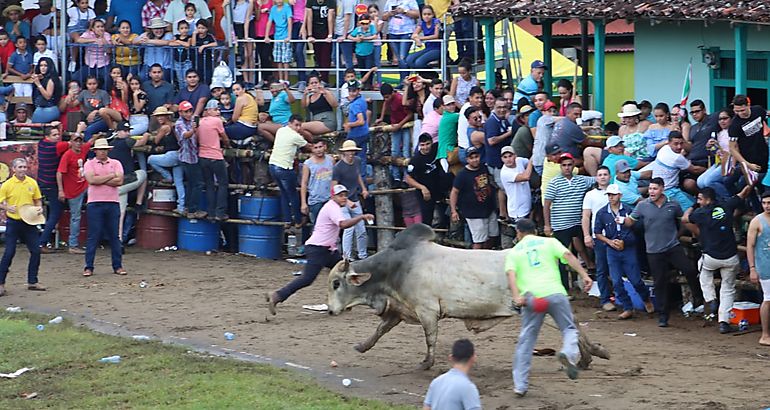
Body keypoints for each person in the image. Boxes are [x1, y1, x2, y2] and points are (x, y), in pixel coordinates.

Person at [506, 218, 593, 397]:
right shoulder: (550, 242)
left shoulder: (514, 252)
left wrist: (516, 296)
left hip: (533, 298)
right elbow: (568, 256)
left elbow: (511, 274)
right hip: (555, 293)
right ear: (535, 231)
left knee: (526, 341)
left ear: (519, 233)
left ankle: (520, 385)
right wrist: (584, 274)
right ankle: (568, 354)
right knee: (569, 329)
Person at [266, 184, 373, 314]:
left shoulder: (333, 206)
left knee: (346, 272)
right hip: (318, 249)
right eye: (340, 196)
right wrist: (361, 217)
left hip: (328, 250)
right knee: (307, 279)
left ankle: (342, 302)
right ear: (333, 197)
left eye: (345, 195)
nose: (344, 198)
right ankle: (278, 295)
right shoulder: (332, 208)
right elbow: (343, 224)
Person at [623, 177, 704, 327]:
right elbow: (631, 221)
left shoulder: (673, 204)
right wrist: (622, 220)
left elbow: (682, 221)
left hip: (672, 247)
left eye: (655, 189)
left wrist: (677, 236)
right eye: (650, 188)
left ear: (662, 189)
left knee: (689, 270)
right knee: (660, 283)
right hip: (653, 251)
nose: (651, 191)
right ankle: (663, 315)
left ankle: (698, 297)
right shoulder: (642, 205)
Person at [683, 186, 751, 333]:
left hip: (711, 257)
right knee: (728, 289)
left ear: (707, 199)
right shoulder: (727, 205)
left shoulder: (700, 212)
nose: (698, 202)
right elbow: (743, 193)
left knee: (703, 271)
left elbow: (685, 218)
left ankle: (711, 298)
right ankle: (724, 322)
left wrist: (691, 207)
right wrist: (751, 181)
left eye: (700, 199)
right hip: (731, 257)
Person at [594, 184, 654, 320]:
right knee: (616, 281)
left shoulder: (628, 210)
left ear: (619, 196)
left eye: (613, 195)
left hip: (628, 249)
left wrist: (624, 242)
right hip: (612, 249)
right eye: (609, 195)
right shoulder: (602, 213)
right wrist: (610, 242)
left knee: (636, 280)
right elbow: (597, 232)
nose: (611, 197)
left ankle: (645, 299)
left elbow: (637, 229)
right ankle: (628, 307)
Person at [544, 152, 595, 290]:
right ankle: (564, 288)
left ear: (573, 166)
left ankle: (590, 281)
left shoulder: (581, 180)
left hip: (578, 223)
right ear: (560, 166)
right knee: (562, 257)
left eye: (569, 165)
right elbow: (547, 204)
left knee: (588, 248)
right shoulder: (554, 182)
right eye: (564, 165)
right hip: (561, 225)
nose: (566, 167)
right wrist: (547, 225)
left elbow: (598, 180)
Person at [0, 158, 45, 296]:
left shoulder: (32, 183)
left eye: (25, 167)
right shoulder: (7, 185)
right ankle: (1, 282)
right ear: (13, 169)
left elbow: (37, 199)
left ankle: (32, 281)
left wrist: (39, 208)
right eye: (20, 167)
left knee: (36, 251)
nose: (23, 169)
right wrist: (7, 207)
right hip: (14, 222)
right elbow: (1, 202)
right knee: (9, 252)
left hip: (29, 221)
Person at [83, 138, 125, 277]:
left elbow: (119, 181)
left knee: (114, 236)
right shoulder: (89, 163)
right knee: (93, 236)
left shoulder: (115, 163)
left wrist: (101, 179)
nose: (102, 152)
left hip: (111, 202)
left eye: (104, 149)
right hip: (96, 202)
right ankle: (89, 266)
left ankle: (117, 265)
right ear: (95, 151)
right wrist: (111, 176)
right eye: (101, 149)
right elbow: (91, 180)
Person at [108, 121, 149, 242]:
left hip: (114, 183)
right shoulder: (127, 141)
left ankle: (118, 240)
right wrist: (146, 135)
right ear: (119, 132)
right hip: (126, 181)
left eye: (128, 131)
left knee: (120, 213)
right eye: (125, 131)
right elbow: (141, 142)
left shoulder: (111, 144)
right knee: (143, 173)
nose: (127, 133)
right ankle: (139, 203)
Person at [450, 146, 497, 249]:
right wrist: (453, 211)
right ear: (467, 160)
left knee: (492, 236)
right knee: (479, 240)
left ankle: (486, 257)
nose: (475, 159)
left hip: (488, 209)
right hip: (473, 213)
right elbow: (454, 192)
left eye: (476, 156)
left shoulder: (484, 168)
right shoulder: (462, 175)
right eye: (472, 158)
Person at [643, 131, 703, 210]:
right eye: (676, 144)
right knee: (694, 208)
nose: (679, 147)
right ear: (669, 142)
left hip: (662, 188)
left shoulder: (664, 149)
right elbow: (695, 170)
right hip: (670, 191)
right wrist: (708, 169)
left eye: (681, 143)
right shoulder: (677, 158)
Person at [332, 140, 370, 260]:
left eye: (352, 151)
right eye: (348, 151)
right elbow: (334, 188)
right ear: (344, 152)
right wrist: (346, 201)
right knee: (349, 229)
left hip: (354, 198)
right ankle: (347, 256)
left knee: (361, 229)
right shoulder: (338, 168)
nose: (351, 153)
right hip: (343, 202)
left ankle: (362, 255)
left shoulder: (357, 161)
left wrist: (363, 188)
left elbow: (358, 175)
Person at [269, 114, 310, 226]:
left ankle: (287, 220)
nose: (298, 128)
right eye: (296, 125)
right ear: (290, 123)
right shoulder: (295, 136)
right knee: (293, 195)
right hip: (284, 167)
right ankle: (297, 220)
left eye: (299, 126)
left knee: (283, 193)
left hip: (272, 165)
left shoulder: (280, 130)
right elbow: (308, 146)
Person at [581, 166, 612, 311]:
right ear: (596, 177)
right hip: (599, 236)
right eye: (600, 175)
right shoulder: (591, 195)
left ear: (610, 176)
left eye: (605, 174)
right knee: (602, 269)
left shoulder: (616, 192)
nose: (603, 177)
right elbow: (586, 216)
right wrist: (587, 235)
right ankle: (605, 299)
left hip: (616, 236)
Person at [57, 129, 92, 254]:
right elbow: (60, 173)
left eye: (80, 141)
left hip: (84, 185)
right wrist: (61, 190)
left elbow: (90, 142)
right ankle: (73, 245)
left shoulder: (83, 149)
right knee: (75, 217)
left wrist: (98, 136)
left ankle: (89, 241)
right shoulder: (67, 155)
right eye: (76, 141)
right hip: (73, 190)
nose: (78, 143)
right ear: (71, 142)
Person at [423, 338, 481, 410]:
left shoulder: (436, 382)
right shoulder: (468, 388)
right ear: (473, 358)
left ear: (451, 357)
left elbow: (426, 408)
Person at [729, 94, 768, 201]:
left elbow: (766, 116)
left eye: (742, 110)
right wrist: (747, 164)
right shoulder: (734, 125)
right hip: (748, 159)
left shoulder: (758, 111)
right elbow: (732, 148)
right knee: (746, 186)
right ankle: (755, 210)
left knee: (764, 187)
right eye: (737, 111)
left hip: (763, 153)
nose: (740, 114)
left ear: (748, 105)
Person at [406, 133, 450, 228]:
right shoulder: (415, 160)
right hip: (425, 193)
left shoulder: (436, 148)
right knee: (427, 219)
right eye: (422, 145)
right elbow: (408, 178)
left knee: (446, 215)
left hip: (439, 188)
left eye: (427, 144)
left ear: (432, 143)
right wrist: (422, 188)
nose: (425, 147)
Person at [37, 126, 71, 251]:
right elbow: (72, 143)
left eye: (58, 134)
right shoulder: (56, 147)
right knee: (56, 213)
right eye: (54, 135)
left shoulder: (41, 144)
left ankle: (45, 240)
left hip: (41, 182)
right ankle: (43, 242)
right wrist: (79, 129)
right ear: (48, 136)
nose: (57, 137)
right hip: (51, 184)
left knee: (49, 212)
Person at [148, 103, 185, 214]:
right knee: (179, 182)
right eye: (158, 116)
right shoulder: (174, 125)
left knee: (150, 159)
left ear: (167, 116)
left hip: (172, 155)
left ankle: (167, 177)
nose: (159, 118)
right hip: (179, 154)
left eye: (162, 116)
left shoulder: (164, 127)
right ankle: (181, 206)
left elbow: (156, 140)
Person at [746, 191, 770, 346]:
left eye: (769, 203)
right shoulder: (757, 221)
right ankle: (765, 334)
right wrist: (752, 268)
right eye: (765, 203)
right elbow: (750, 246)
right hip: (765, 266)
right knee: (768, 299)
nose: (767, 206)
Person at [175, 97, 204, 219]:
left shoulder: (191, 121)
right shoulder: (179, 123)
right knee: (197, 183)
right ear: (180, 113)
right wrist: (194, 129)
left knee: (192, 183)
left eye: (190, 111)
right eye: (185, 111)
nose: (188, 114)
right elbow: (185, 135)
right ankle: (193, 209)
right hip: (187, 157)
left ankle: (188, 207)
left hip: (193, 155)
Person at [377, 83, 411, 184]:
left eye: (387, 97)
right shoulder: (388, 99)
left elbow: (409, 114)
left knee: (405, 151)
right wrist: (381, 118)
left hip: (404, 125)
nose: (386, 99)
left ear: (392, 93)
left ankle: (406, 177)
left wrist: (399, 125)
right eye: (384, 97)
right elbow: (385, 104)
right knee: (394, 151)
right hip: (395, 125)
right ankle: (396, 177)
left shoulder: (400, 99)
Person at [485, 97, 514, 213]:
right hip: (496, 163)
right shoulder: (492, 122)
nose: (502, 110)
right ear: (494, 108)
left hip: (504, 162)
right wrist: (508, 134)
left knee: (502, 190)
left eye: (504, 107)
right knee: (506, 188)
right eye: (499, 107)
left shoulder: (503, 120)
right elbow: (491, 141)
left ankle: (504, 214)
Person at [382, 0, 419, 82]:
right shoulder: (389, 1)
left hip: (406, 31)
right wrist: (390, 13)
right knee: (399, 59)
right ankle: (404, 81)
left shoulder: (410, 1)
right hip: (392, 32)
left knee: (403, 57)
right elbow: (383, 17)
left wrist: (404, 11)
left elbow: (417, 14)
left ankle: (404, 81)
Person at [301, 138, 334, 224]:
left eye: (320, 147)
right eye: (315, 147)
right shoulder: (308, 164)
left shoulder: (331, 160)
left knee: (332, 225)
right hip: (315, 200)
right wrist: (303, 203)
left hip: (330, 198)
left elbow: (335, 179)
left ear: (325, 147)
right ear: (312, 149)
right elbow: (304, 183)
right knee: (318, 226)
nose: (318, 150)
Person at [499, 145, 532, 222]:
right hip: (518, 212)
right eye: (505, 157)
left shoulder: (520, 160)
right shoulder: (505, 173)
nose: (508, 159)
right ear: (502, 159)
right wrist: (531, 161)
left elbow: (528, 164)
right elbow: (526, 177)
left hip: (527, 206)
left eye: (510, 156)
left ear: (515, 156)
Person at [342, 80, 369, 175]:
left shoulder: (355, 105)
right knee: (362, 159)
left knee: (348, 158)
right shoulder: (362, 100)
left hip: (355, 135)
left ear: (358, 90)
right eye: (350, 91)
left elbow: (361, 121)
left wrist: (348, 124)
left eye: (354, 91)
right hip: (364, 133)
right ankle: (362, 180)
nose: (351, 93)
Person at [304, 0, 334, 84]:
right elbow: (309, 18)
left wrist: (330, 34)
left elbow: (330, 17)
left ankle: (325, 80)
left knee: (325, 57)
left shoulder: (330, 2)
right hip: (315, 30)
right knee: (318, 56)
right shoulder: (311, 1)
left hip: (326, 30)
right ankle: (320, 79)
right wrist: (310, 35)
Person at [265, 0, 293, 85]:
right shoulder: (273, 9)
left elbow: (289, 22)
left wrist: (289, 36)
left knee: (286, 60)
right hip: (277, 37)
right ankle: (280, 79)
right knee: (278, 59)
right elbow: (269, 22)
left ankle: (286, 80)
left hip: (285, 37)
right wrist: (266, 36)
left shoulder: (287, 7)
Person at [406, 5, 441, 71]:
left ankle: (432, 75)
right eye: (424, 14)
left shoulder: (436, 21)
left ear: (433, 14)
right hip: (427, 48)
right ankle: (424, 75)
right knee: (409, 59)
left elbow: (436, 36)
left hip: (437, 48)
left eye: (429, 14)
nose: (426, 16)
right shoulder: (422, 23)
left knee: (419, 62)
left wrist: (420, 38)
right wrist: (417, 40)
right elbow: (414, 35)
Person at [30, 56, 62, 123]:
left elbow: (48, 96)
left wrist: (38, 84)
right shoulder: (42, 78)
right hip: (41, 108)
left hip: (48, 109)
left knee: (35, 130)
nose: (43, 68)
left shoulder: (51, 80)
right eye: (41, 65)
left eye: (45, 65)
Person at [349, 15, 377, 88]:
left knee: (369, 69)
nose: (365, 25)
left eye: (366, 23)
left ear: (370, 22)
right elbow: (349, 36)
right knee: (362, 70)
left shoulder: (372, 28)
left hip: (369, 53)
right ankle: (363, 84)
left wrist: (365, 38)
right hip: (359, 53)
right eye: (363, 23)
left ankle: (369, 84)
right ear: (360, 23)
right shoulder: (357, 29)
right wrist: (355, 39)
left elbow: (375, 36)